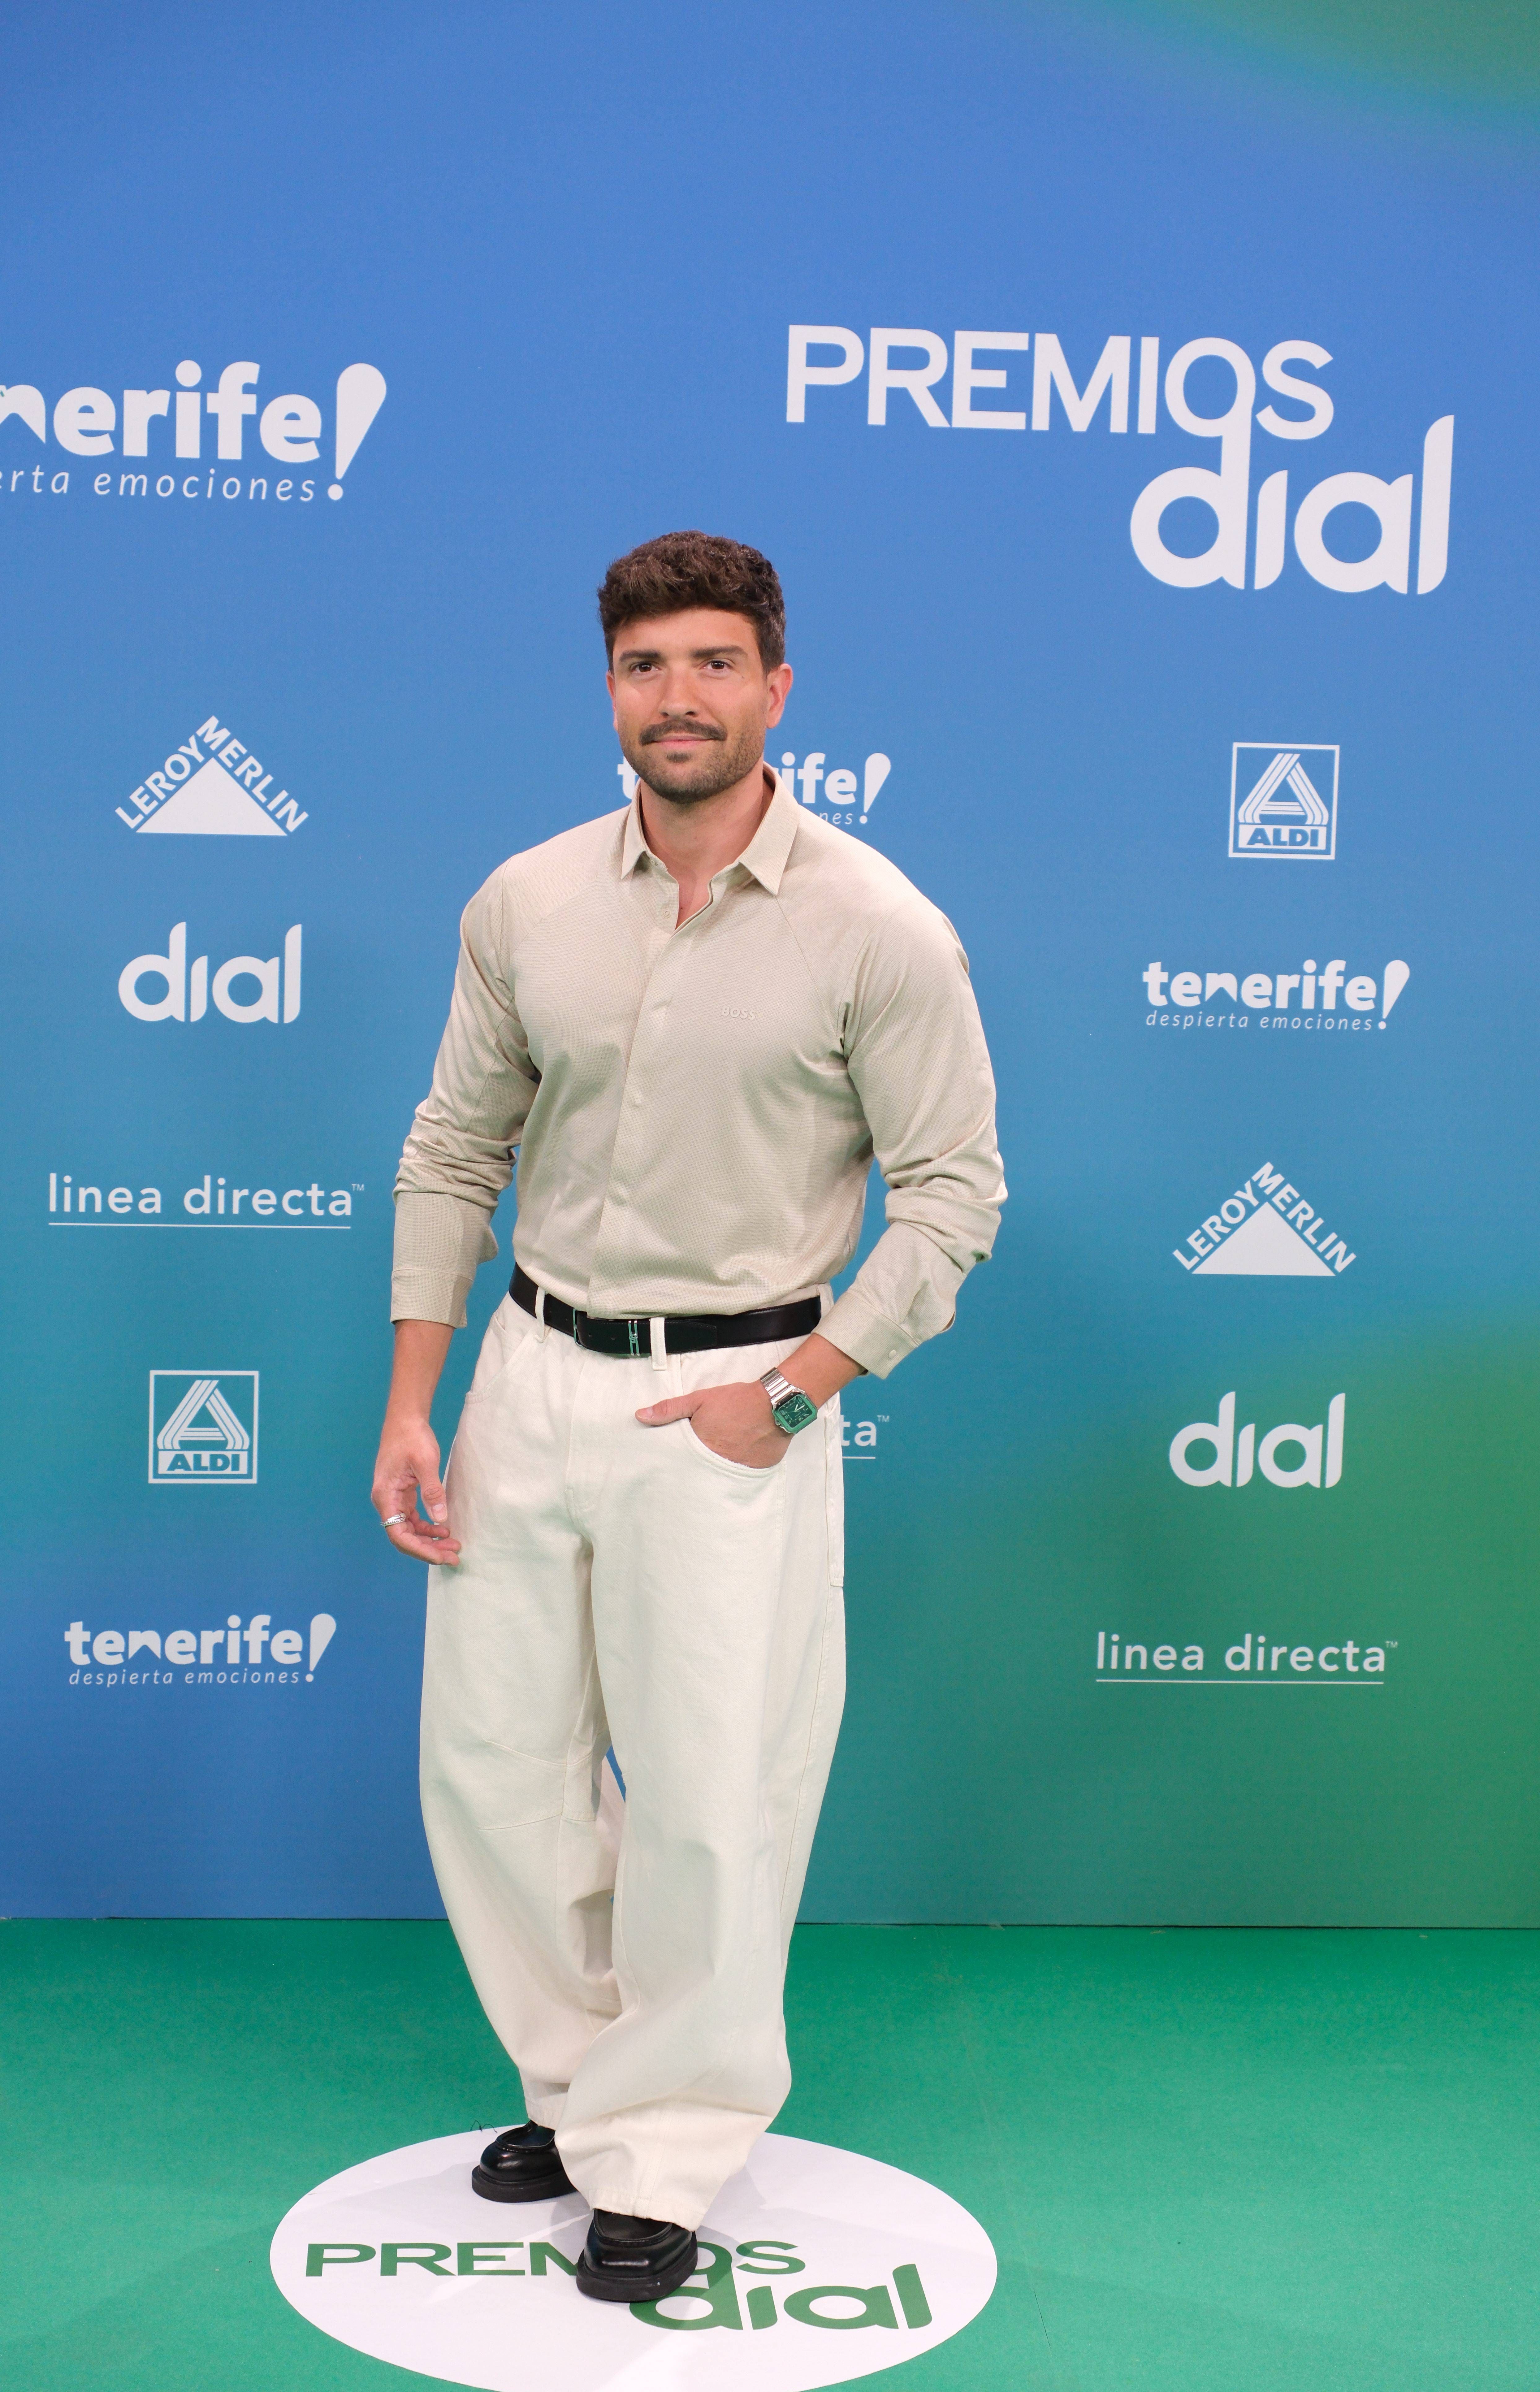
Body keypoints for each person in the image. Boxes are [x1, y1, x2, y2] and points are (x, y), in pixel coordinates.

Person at [372, 529, 1003, 2303]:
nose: (681, 697)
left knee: (714, 1793)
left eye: (716, 663)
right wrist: (417, 1397)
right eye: (647, 667)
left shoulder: (880, 928)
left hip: (732, 1393)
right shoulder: (525, 902)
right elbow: (455, 1148)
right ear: (610, 692)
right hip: (527, 1373)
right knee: (495, 1772)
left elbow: (954, 1195)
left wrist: (793, 1395)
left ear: (776, 687)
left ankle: (664, 2150)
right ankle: (584, 2096)